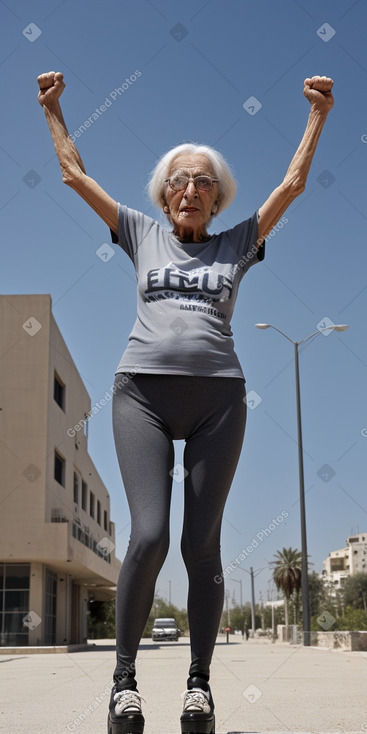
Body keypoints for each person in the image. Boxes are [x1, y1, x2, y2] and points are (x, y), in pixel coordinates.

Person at [37, 71, 334, 734]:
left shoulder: (238, 243)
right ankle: (123, 684)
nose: (191, 190)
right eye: (180, 180)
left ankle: (198, 688)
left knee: (202, 545)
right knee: (149, 534)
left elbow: (289, 186)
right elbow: (74, 176)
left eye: (203, 182)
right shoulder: (141, 234)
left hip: (219, 401)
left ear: (217, 196)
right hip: (140, 393)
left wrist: (317, 114)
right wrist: (54, 110)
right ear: (164, 194)